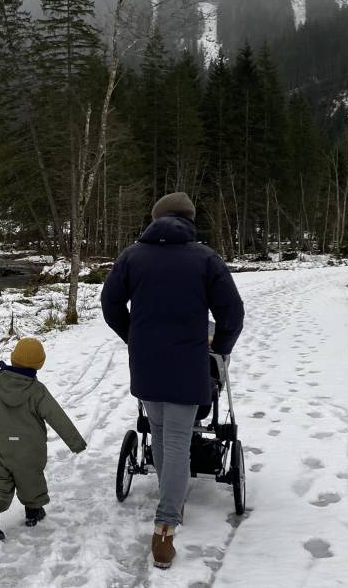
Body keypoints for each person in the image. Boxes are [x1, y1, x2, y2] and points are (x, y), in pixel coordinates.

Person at [101, 192, 244, 569]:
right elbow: (232, 313)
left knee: (162, 433)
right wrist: (221, 348)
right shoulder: (205, 259)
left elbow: (110, 303)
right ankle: (165, 527)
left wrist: (133, 335)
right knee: (178, 438)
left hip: (146, 364)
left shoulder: (132, 256)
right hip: (187, 364)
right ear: (189, 220)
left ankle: (172, 497)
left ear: (155, 220)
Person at [0, 337, 87, 541]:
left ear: (13, 357)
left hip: (1, 446)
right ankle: (33, 511)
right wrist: (75, 442)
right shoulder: (37, 391)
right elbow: (57, 417)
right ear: (39, 364)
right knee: (30, 478)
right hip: (29, 449)